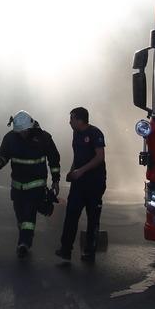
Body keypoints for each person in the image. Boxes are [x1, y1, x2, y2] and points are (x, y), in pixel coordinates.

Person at [0, 110, 61, 258]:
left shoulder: (43, 138)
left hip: (36, 186)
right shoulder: (11, 137)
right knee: (20, 216)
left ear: (30, 127)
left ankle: (24, 243)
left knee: (29, 214)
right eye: (19, 131)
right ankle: (25, 236)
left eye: (24, 131)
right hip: (17, 186)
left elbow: (54, 159)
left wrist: (56, 180)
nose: (22, 134)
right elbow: (4, 153)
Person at [56, 107, 105, 262]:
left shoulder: (95, 133)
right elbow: (77, 156)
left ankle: (89, 251)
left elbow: (100, 157)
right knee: (71, 214)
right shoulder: (76, 133)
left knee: (93, 218)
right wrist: (72, 172)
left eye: (71, 119)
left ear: (79, 120)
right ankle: (65, 249)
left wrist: (82, 171)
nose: (69, 122)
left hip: (94, 182)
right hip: (79, 183)